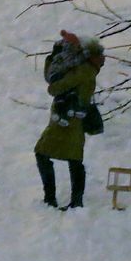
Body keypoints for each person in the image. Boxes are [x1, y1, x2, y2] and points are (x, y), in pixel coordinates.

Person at [33, 31, 105, 210]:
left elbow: (54, 87)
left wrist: (56, 57)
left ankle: (58, 199)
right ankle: (72, 201)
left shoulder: (84, 69)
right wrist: (55, 54)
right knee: (73, 158)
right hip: (67, 117)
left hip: (71, 118)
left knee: (46, 153)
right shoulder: (81, 67)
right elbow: (50, 75)